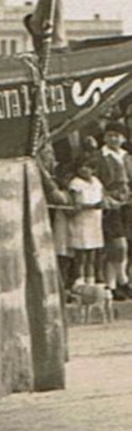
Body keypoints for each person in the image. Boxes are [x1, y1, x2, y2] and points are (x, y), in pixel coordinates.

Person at [96, 124, 131, 300]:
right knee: (117, 246)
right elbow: (95, 180)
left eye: (117, 136)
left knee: (126, 247)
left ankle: (114, 285)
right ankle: (121, 280)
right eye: (110, 135)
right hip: (111, 205)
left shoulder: (127, 157)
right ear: (104, 138)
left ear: (123, 138)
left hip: (128, 204)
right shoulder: (99, 157)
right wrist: (104, 197)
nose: (114, 139)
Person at [67, 157, 105, 289]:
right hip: (81, 221)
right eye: (81, 167)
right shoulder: (75, 183)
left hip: (95, 220)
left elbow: (103, 197)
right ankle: (79, 280)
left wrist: (106, 203)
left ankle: (91, 280)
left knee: (92, 254)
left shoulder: (96, 182)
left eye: (88, 167)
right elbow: (77, 204)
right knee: (81, 254)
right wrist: (93, 206)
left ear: (93, 169)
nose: (84, 169)